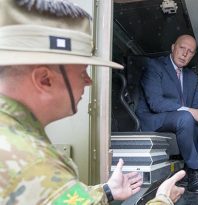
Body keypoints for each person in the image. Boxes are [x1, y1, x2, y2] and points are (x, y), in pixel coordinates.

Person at [0, 0, 184, 204]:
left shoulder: (14, 139)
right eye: (82, 72)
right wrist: (163, 199)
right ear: (44, 79)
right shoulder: (33, 162)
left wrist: (106, 191)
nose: (89, 81)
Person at [136, 35, 198, 194]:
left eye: (190, 52)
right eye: (182, 48)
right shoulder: (155, 66)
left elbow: (197, 104)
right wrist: (192, 112)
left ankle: (189, 170)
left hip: (183, 122)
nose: (185, 54)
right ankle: (194, 172)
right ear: (173, 47)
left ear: (193, 56)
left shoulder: (191, 77)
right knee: (186, 117)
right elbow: (156, 103)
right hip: (156, 120)